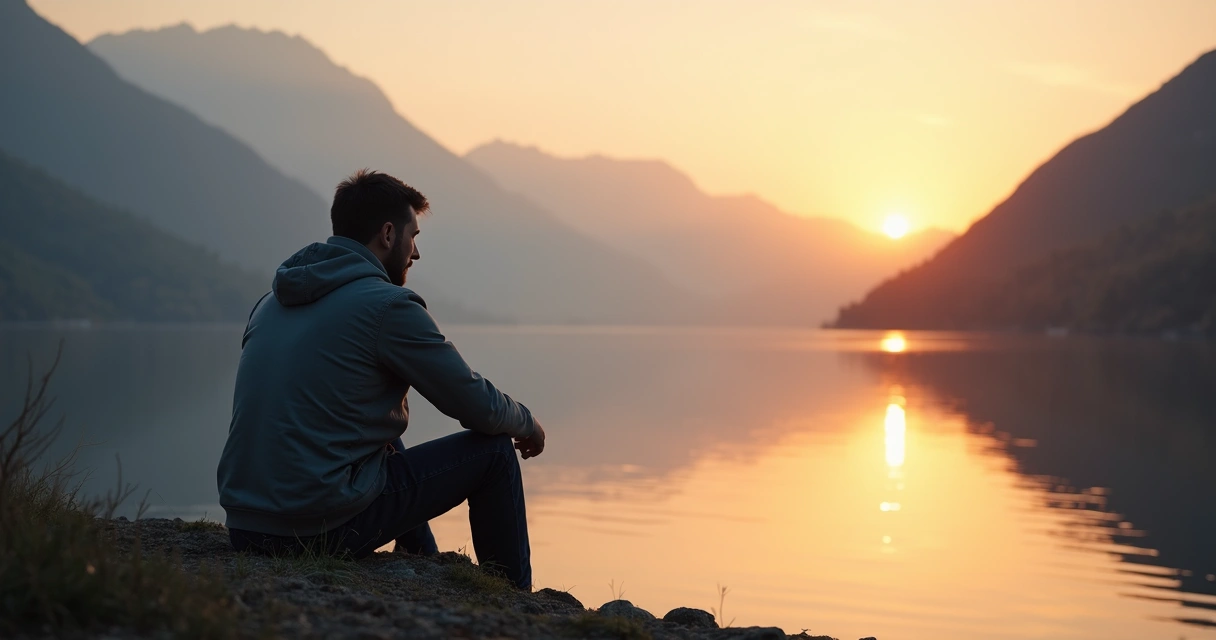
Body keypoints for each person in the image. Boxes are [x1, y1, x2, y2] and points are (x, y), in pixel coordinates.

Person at [217, 169, 544, 589]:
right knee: (496, 451)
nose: (416, 253)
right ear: (388, 234)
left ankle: (420, 558)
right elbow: (472, 403)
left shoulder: (270, 303)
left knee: (383, 436)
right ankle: (516, 603)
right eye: (414, 237)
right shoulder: (388, 306)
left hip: (245, 526)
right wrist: (526, 420)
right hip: (314, 530)